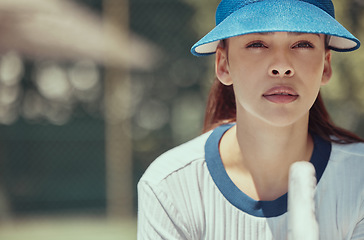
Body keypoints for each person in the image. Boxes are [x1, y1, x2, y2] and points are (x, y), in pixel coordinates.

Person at [137, 0, 364, 239]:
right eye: (257, 44)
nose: (282, 66)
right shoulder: (169, 186)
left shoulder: (359, 179)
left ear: (326, 65)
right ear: (223, 64)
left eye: (302, 44)